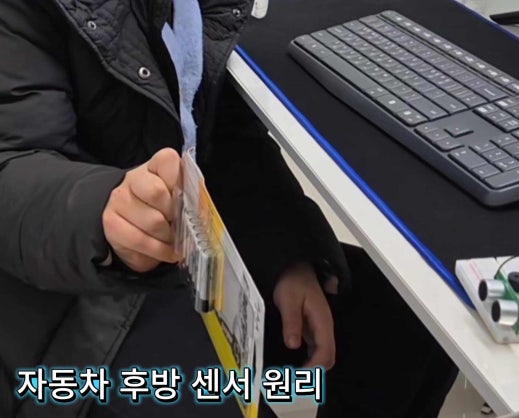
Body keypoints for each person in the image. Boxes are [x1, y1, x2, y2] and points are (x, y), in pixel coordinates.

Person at [0, 1, 459, 418]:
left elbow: (220, 127)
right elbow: (12, 166)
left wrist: (285, 255)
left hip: (191, 248)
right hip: (73, 302)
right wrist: (104, 212)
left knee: (421, 322)